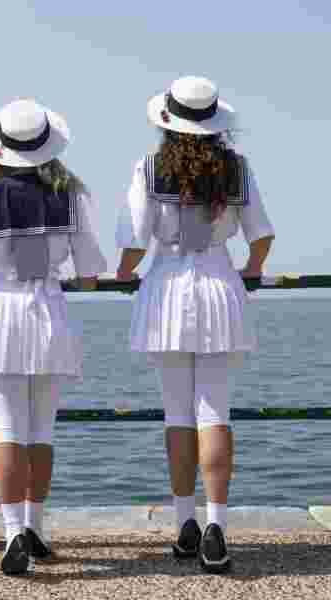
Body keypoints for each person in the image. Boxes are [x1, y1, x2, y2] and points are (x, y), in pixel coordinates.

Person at [0, 99, 106, 575]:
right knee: (41, 432)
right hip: (49, 309)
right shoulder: (69, 197)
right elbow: (91, 270)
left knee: (7, 429)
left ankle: (12, 532)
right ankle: (35, 527)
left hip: (2, 311)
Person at [115, 76, 274, 573]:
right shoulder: (238, 169)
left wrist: (123, 275)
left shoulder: (149, 168)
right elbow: (261, 236)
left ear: (168, 121)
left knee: (177, 415)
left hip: (165, 292)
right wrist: (250, 270)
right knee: (215, 412)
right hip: (219, 286)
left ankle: (185, 521)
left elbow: (137, 240)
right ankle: (217, 529)